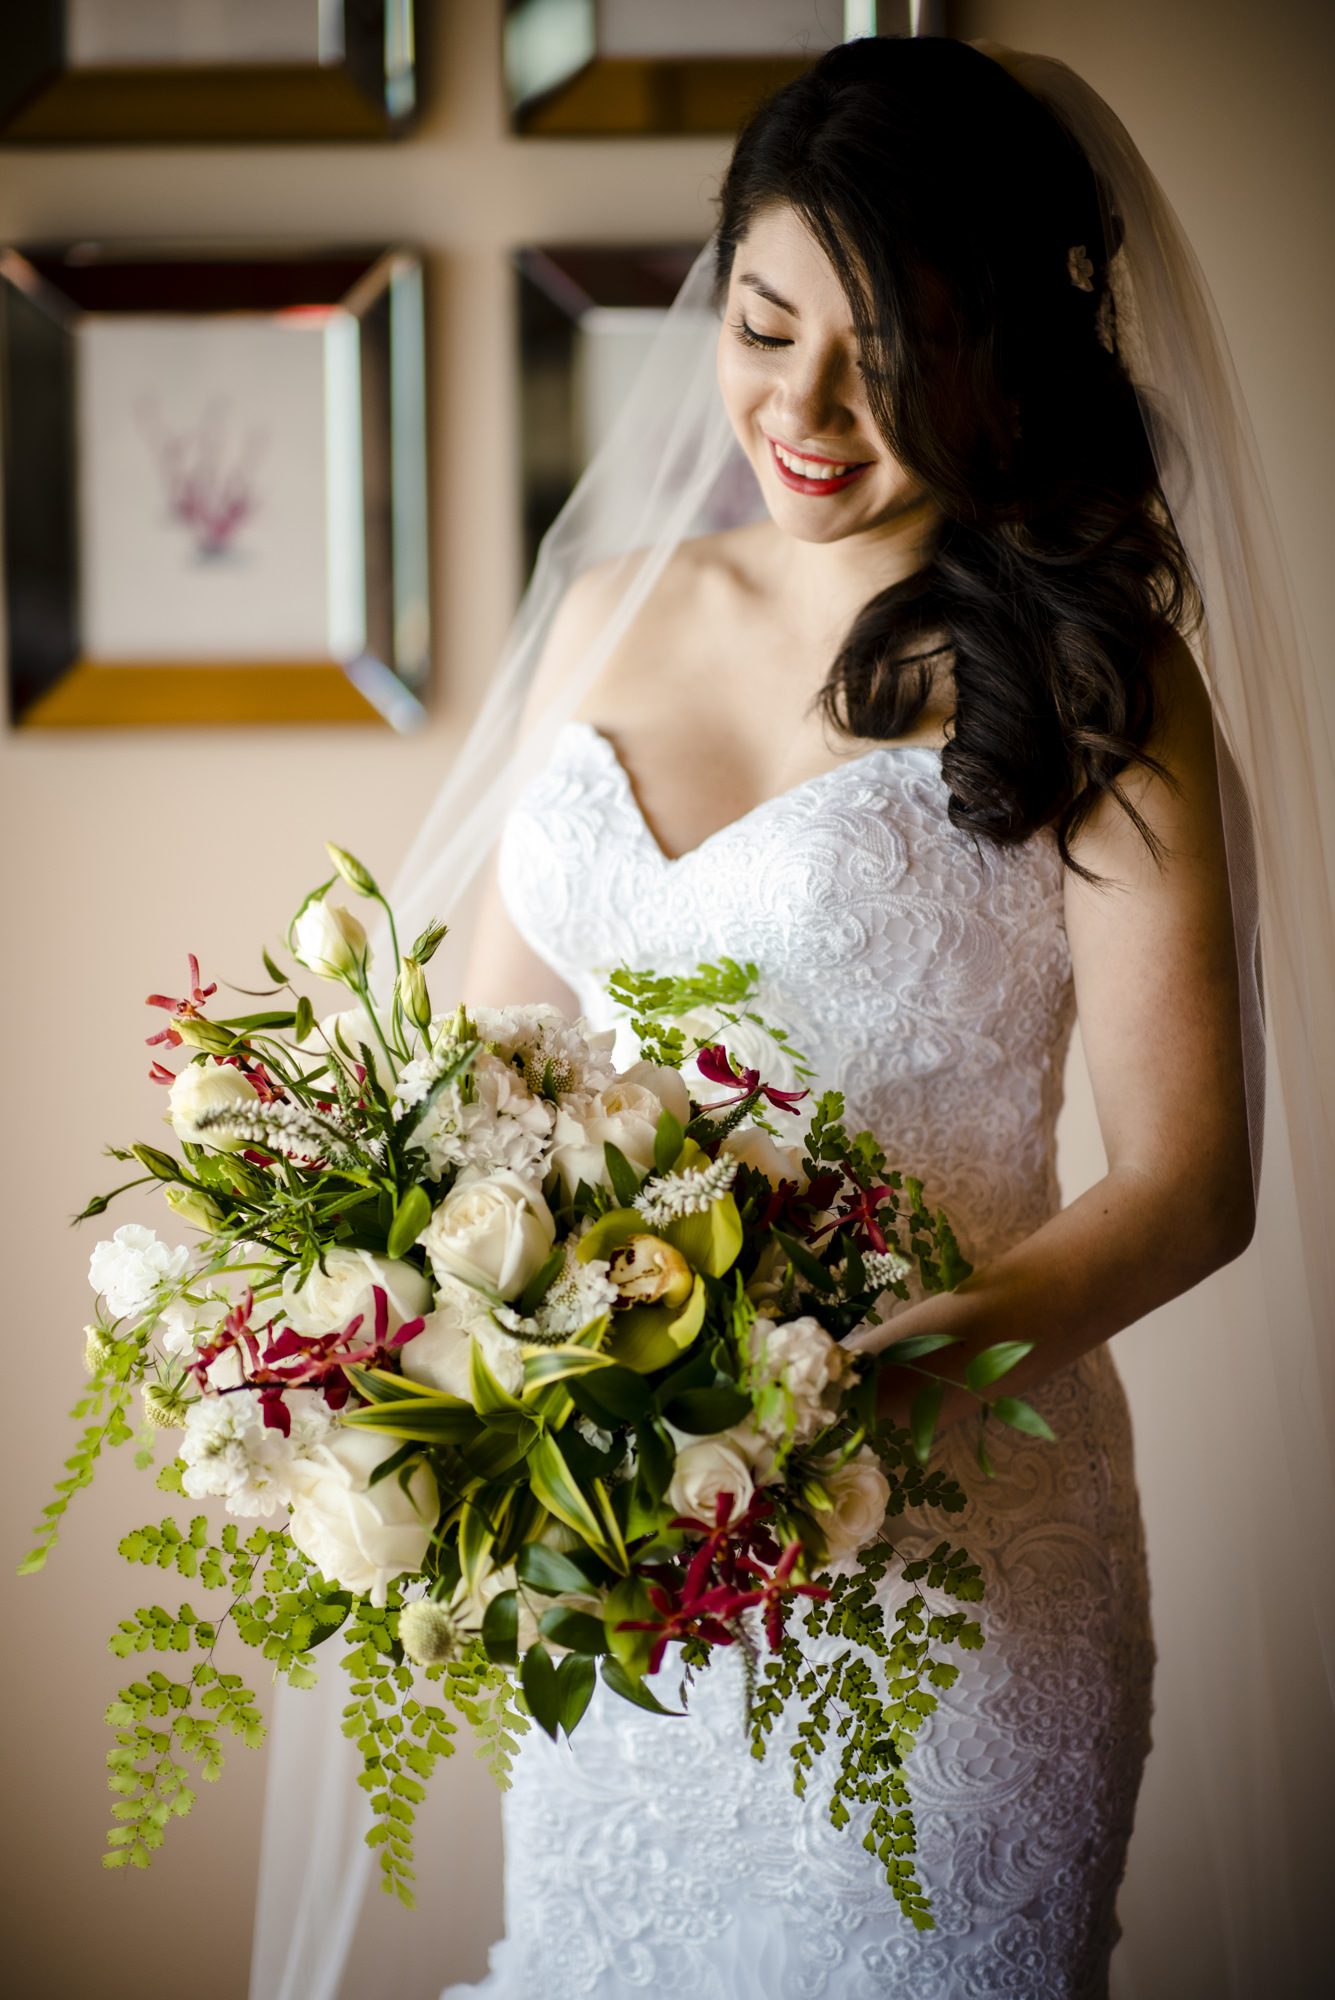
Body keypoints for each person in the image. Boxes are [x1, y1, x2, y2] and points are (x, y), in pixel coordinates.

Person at [248, 33, 1333, 2000]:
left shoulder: (1092, 681)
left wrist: (908, 1367)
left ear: (1002, 350)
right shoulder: (613, 607)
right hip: (629, 1548)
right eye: (762, 328)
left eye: (887, 354)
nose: (805, 410)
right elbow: (488, 1082)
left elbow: (1187, 1182)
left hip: (939, 1556)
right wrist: (403, 1336)